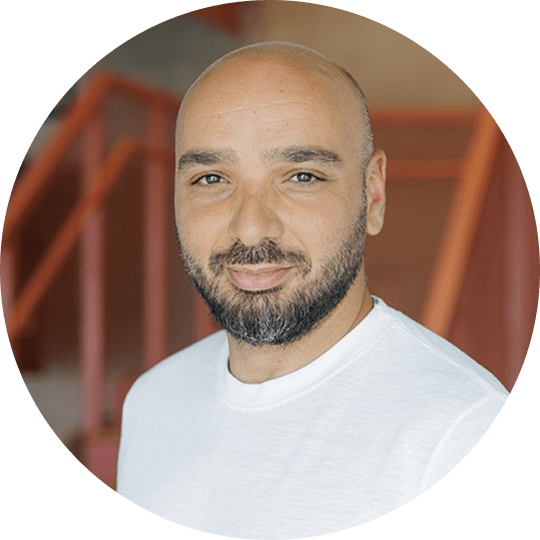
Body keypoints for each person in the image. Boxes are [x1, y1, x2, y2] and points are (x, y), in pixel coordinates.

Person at [116, 42, 509, 537]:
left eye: (301, 176)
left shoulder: (460, 430)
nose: (251, 229)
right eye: (211, 178)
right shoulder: (153, 401)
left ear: (374, 194)